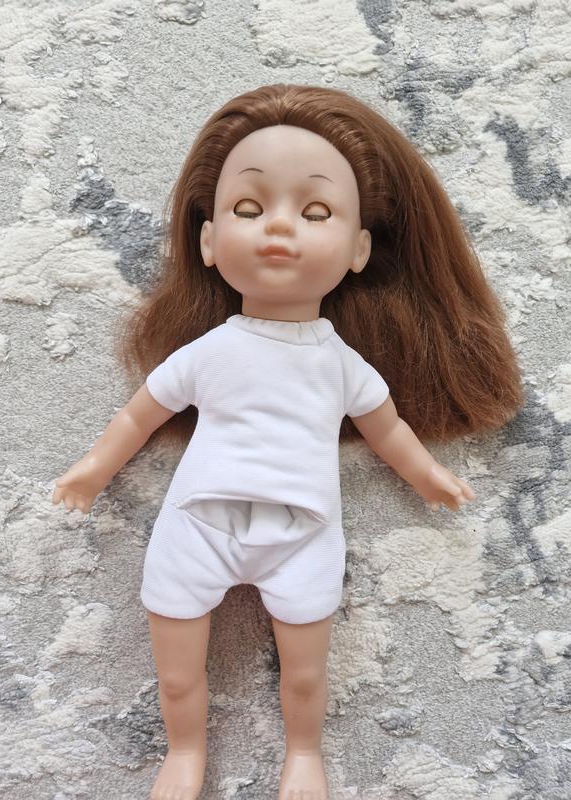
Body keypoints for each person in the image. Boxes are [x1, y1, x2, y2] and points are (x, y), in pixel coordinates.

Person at [52, 84, 524, 800]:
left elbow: (387, 428)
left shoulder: (340, 363)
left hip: (304, 533)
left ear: (359, 250)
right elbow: (139, 417)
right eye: (248, 209)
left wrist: (426, 474)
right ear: (208, 242)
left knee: (305, 675)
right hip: (197, 524)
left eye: (315, 212)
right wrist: (93, 469)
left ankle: (304, 756)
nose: (278, 226)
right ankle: (183, 754)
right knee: (177, 674)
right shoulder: (208, 353)